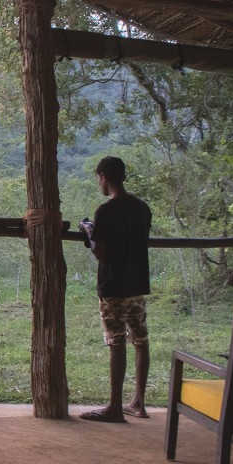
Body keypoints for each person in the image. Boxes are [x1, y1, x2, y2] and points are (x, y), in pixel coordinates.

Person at [79, 156, 152, 423]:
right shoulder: (142, 208)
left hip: (113, 286)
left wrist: (88, 231)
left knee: (117, 342)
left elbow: (101, 252)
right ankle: (139, 403)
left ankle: (114, 407)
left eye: (98, 177)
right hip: (137, 284)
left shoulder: (105, 211)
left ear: (104, 176)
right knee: (141, 341)